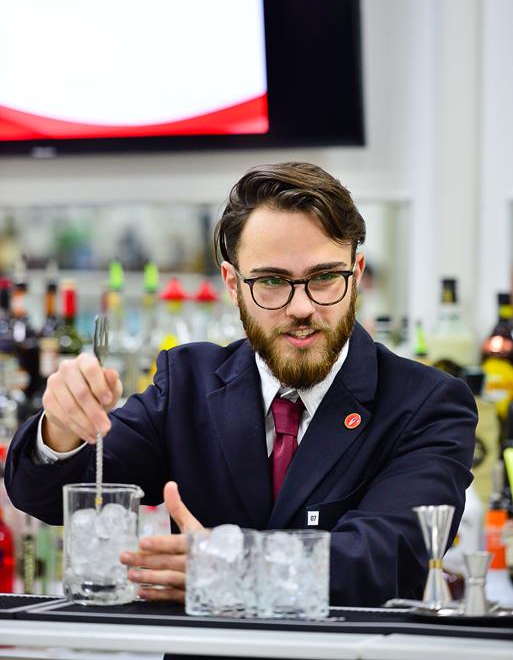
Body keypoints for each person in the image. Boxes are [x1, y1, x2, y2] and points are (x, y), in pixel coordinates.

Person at [5, 162, 477, 607]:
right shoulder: (187, 386)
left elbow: (388, 557)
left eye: (324, 278)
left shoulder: (426, 405)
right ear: (233, 284)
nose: (301, 307)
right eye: (272, 281)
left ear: (355, 275)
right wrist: (61, 428)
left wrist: (234, 568)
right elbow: (47, 497)